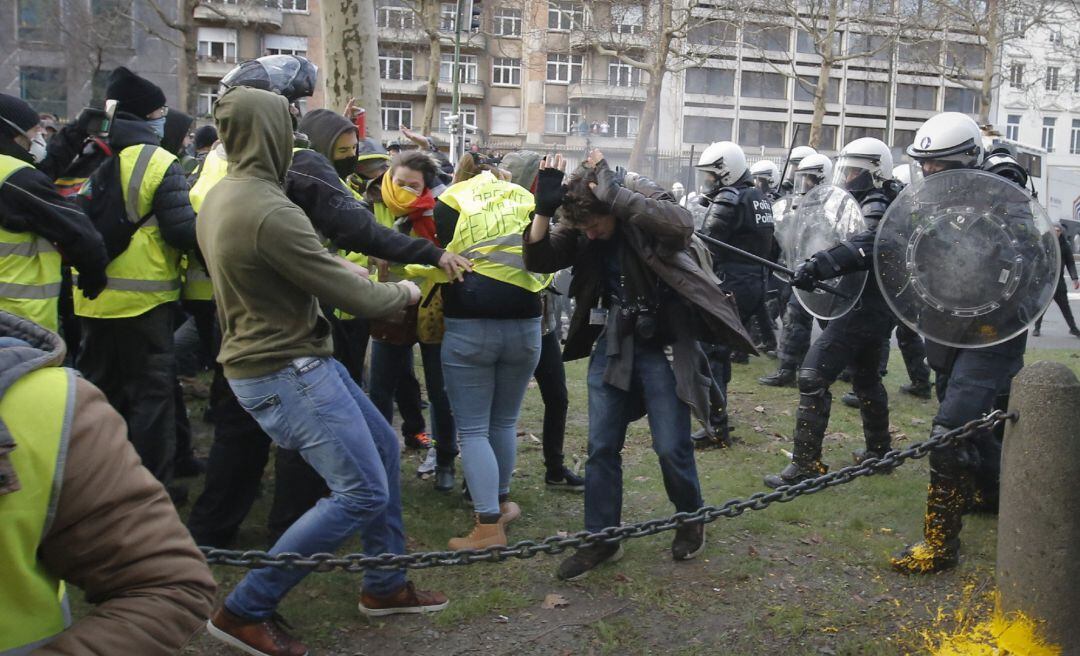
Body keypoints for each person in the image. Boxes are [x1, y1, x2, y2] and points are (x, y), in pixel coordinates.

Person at [199, 86, 448, 655]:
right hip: (284, 366)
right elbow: (362, 300)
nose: (296, 138)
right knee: (360, 491)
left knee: (385, 446)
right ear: (269, 133)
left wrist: (325, 262)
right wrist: (408, 289)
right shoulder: (268, 209)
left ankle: (384, 586)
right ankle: (244, 610)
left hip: (290, 356)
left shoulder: (226, 194)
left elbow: (282, 265)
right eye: (287, 127)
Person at [523, 150, 755, 580]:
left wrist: (615, 195)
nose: (590, 235)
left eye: (595, 225)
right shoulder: (581, 224)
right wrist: (542, 209)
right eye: (584, 229)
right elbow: (539, 259)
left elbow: (681, 225)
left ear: (608, 207)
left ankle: (689, 517)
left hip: (663, 343)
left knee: (671, 445)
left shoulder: (636, 203)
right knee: (601, 447)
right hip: (614, 340)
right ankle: (602, 538)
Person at [0, 310, 216, 654]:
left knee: (147, 390)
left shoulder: (48, 405)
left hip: (110, 307)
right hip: (122, 306)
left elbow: (163, 584)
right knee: (148, 391)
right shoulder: (51, 403)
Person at [890, 113, 1037, 573]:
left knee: (949, 431)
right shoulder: (931, 203)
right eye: (925, 164)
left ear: (969, 159)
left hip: (991, 334)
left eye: (941, 164)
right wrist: (833, 259)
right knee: (976, 424)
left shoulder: (1002, 200)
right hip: (947, 329)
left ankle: (939, 546)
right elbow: (890, 238)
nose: (930, 172)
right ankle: (989, 494)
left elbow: (1028, 258)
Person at [73, 67, 198, 496]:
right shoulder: (157, 160)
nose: (165, 117)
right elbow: (182, 230)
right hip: (145, 303)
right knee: (151, 399)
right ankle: (149, 493)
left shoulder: (83, 153)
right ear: (147, 115)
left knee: (98, 400)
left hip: (89, 298)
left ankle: (97, 485)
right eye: (161, 110)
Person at [415, 152, 549, 549]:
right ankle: (501, 501)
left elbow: (442, 248)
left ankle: (488, 524)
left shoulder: (452, 200)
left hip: (469, 322)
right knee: (504, 421)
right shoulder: (523, 199)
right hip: (526, 323)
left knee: (472, 428)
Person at [764, 137, 899, 488]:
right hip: (862, 304)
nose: (848, 176)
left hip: (864, 307)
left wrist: (820, 265)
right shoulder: (859, 201)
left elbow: (861, 246)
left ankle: (807, 465)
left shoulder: (877, 205)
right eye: (846, 168)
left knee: (811, 374)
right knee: (867, 377)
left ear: (875, 172)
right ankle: (880, 451)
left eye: (854, 170)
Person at [0, 93, 109, 333]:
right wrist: (94, 273)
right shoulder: (15, 178)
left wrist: (76, 132)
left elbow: (42, 172)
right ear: (11, 134)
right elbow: (77, 230)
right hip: (18, 323)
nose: (38, 138)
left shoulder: (13, 174)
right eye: (32, 131)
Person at [694, 140, 775, 447]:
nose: (707, 182)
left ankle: (716, 427)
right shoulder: (758, 197)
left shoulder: (728, 198)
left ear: (725, 173)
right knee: (721, 352)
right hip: (755, 281)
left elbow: (707, 244)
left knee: (713, 352)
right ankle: (718, 420)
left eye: (711, 176)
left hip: (731, 281)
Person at [758, 153, 832, 387]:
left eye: (810, 178)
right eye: (803, 177)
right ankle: (789, 368)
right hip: (799, 270)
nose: (804, 183)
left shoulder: (830, 206)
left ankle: (844, 367)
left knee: (829, 325)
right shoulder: (797, 204)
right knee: (794, 317)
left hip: (822, 272)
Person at [1032, 223, 1079, 337]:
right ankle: (1037, 328)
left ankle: (1073, 328)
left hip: (1059, 281)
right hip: (1045, 281)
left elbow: (1070, 263)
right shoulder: (1044, 242)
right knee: (1041, 306)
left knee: (1065, 307)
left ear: (1061, 232)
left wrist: (1074, 278)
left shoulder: (1064, 245)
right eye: (1054, 230)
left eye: (1058, 231)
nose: (1056, 232)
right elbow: (1036, 259)